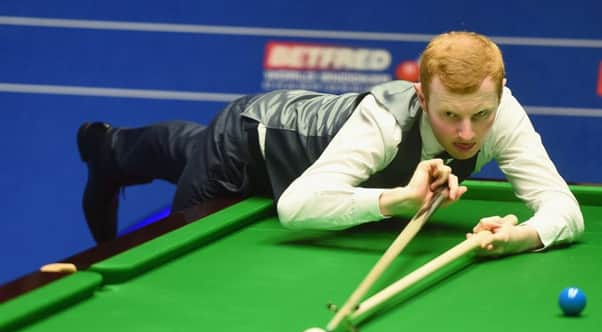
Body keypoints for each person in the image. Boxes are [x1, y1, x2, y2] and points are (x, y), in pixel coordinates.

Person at [78, 31, 583, 256]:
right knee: (178, 247)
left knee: (186, 147)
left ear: (499, 94)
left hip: (288, 138)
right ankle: (106, 155)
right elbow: (297, 205)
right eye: (450, 115)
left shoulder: (504, 115)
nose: (468, 134)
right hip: (246, 147)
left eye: (481, 115)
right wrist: (398, 200)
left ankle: (109, 144)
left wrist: (519, 237)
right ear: (421, 96)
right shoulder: (385, 121)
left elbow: (563, 206)